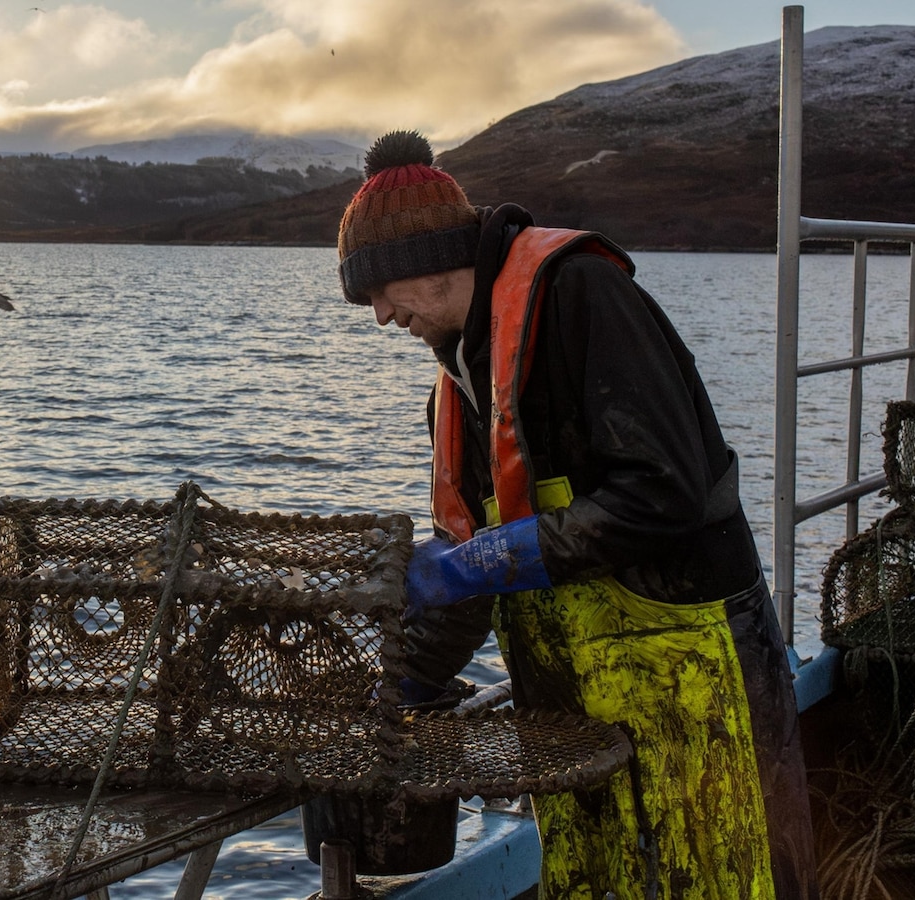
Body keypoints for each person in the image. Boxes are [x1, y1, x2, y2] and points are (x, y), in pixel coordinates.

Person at [336, 130, 817, 899]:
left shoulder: (583, 297)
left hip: (695, 673)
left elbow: (664, 493)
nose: (383, 317)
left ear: (430, 260)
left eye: (382, 292)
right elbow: (464, 573)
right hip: (572, 710)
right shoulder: (453, 393)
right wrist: (406, 684)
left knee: (729, 872)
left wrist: (489, 558)